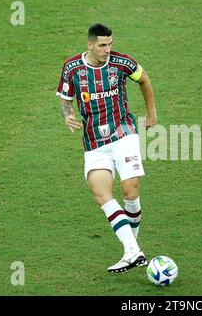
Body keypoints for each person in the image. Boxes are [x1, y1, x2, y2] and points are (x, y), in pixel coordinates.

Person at [56, 23, 157, 273]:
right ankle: (132, 251)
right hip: (95, 144)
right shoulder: (72, 68)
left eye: (110, 44)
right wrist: (67, 115)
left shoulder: (121, 63)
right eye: (102, 45)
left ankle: (131, 250)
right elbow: (65, 100)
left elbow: (144, 79)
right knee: (102, 193)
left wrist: (151, 113)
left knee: (130, 190)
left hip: (123, 132)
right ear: (90, 44)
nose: (107, 49)